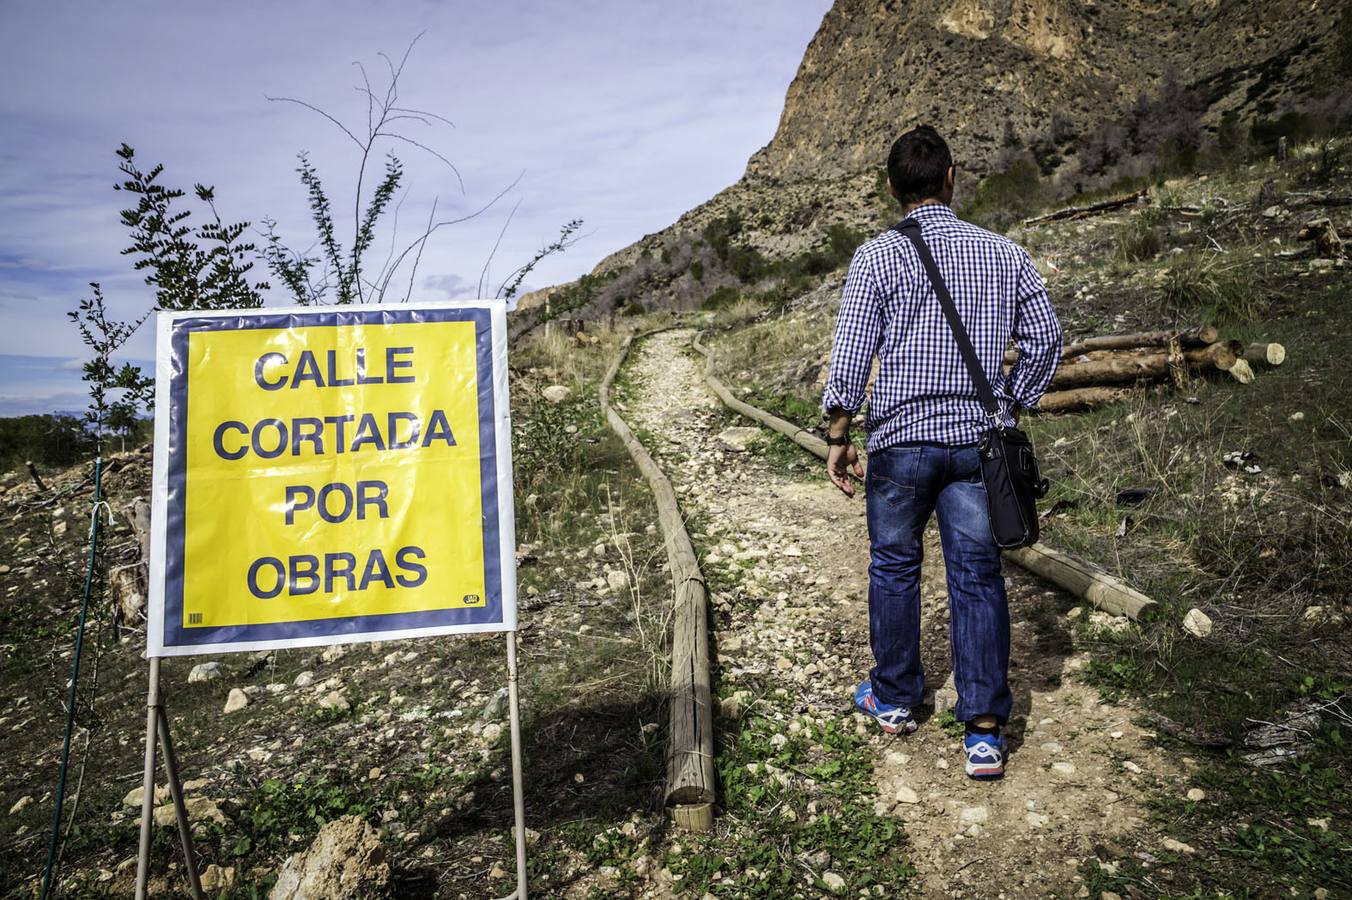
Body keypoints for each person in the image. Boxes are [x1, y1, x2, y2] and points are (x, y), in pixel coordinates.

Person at [821, 125, 1062, 779]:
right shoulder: (1003, 253)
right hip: (976, 443)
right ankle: (984, 732)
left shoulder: (874, 257)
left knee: (895, 570)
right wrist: (1014, 401)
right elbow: (1045, 336)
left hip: (899, 444)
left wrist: (840, 436)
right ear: (952, 179)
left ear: (892, 189)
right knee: (977, 577)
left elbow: (849, 359)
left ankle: (895, 700)